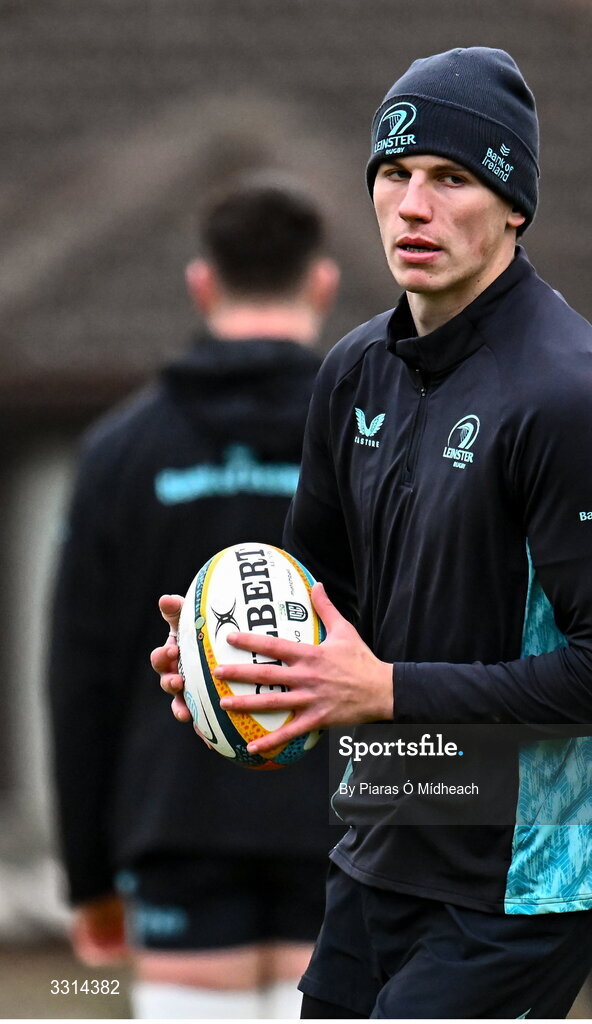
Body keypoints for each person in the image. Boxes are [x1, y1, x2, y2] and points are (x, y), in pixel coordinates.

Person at [154, 46, 592, 1019]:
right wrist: (242, 662)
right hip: (383, 834)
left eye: (452, 179)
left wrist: (380, 689)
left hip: (528, 876)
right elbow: (325, 596)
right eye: (394, 175)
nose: (414, 206)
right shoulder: (352, 374)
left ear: (512, 205)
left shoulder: (573, 400)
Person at [48, 175, 340, 1019]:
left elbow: (80, 675)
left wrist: (89, 876)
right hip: (341, 820)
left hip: (175, 824)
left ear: (201, 283)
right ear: (320, 282)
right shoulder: (365, 438)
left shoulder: (118, 450)